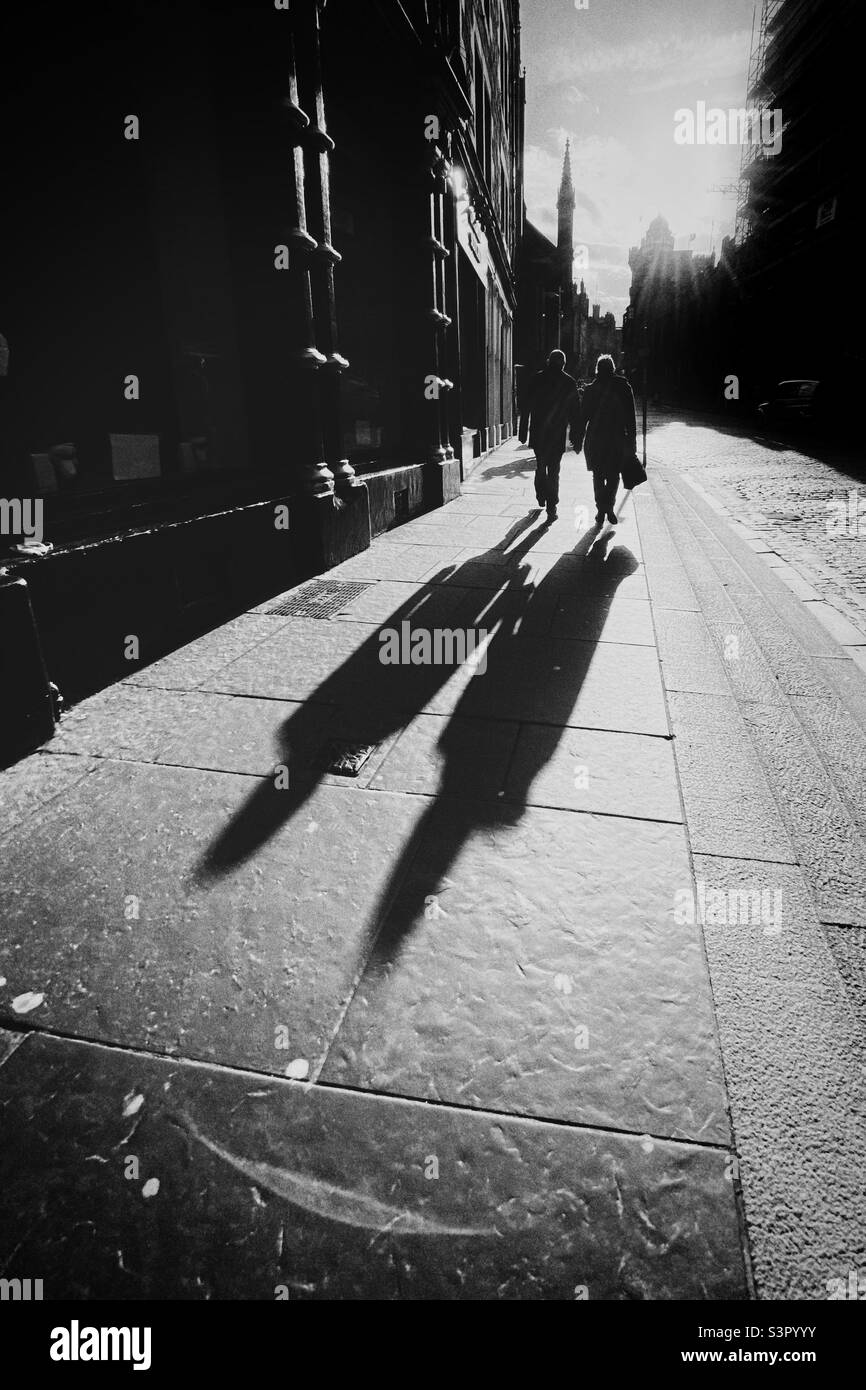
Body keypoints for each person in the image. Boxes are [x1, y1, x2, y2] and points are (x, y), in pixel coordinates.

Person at [574, 353, 637, 527]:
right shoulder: (624, 387)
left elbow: (583, 417)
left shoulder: (591, 390)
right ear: (613, 368)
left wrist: (578, 439)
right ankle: (608, 506)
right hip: (616, 438)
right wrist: (632, 441)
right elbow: (631, 418)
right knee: (614, 475)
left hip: (595, 438)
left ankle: (601, 509)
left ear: (597, 369)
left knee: (598, 475)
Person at [518, 348, 581, 523]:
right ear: (564, 364)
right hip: (557, 433)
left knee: (541, 465)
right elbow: (576, 413)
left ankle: (540, 494)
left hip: (539, 432)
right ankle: (552, 506)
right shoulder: (569, 382)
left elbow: (526, 406)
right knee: (554, 470)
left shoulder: (537, 379)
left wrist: (523, 430)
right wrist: (576, 437)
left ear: (548, 361)